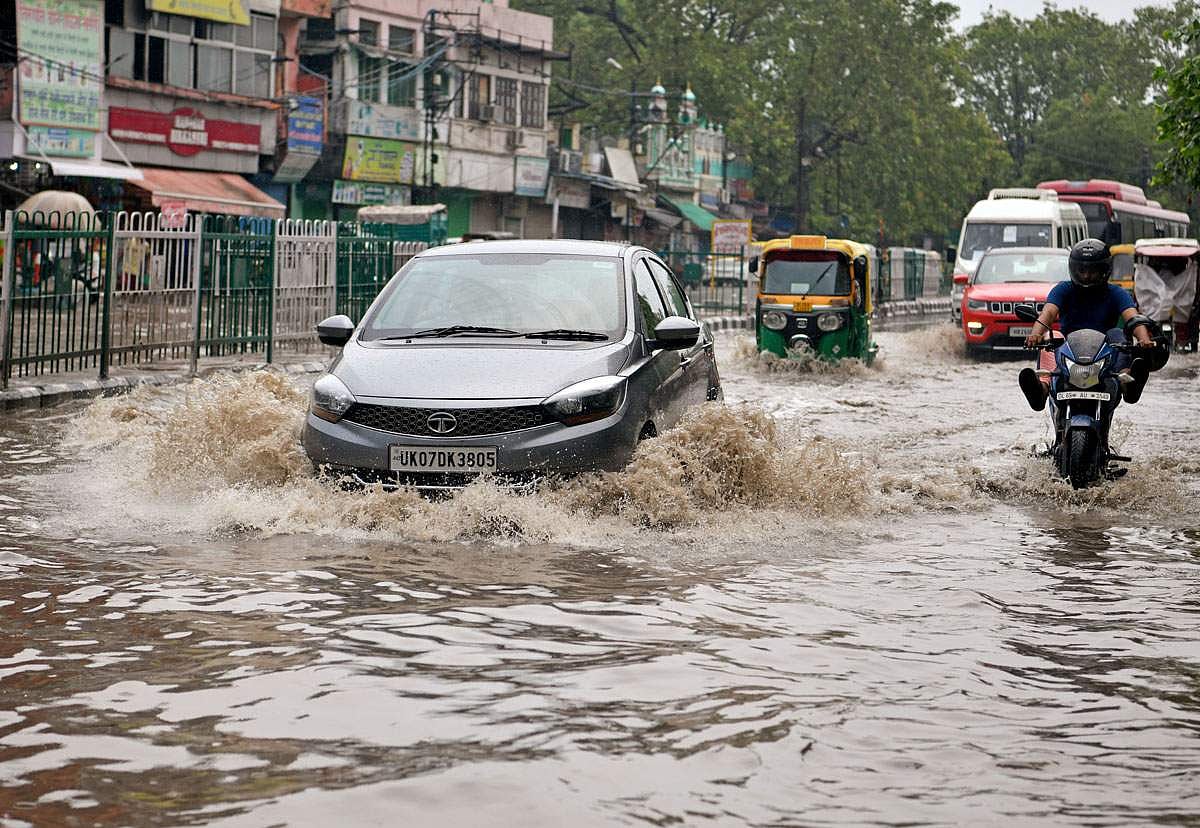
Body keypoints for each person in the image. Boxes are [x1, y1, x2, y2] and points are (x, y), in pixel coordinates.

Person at [1018, 238, 1154, 411]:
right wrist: (1036, 334)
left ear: (1105, 270)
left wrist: (1144, 339)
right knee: (1053, 337)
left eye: (1093, 271)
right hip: (1068, 353)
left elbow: (1132, 318)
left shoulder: (1117, 293)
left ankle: (1127, 381)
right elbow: (1048, 313)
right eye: (1082, 270)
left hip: (1105, 355)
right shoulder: (1063, 289)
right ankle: (1042, 389)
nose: (1087, 276)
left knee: (1119, 335)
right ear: (1073, 269)